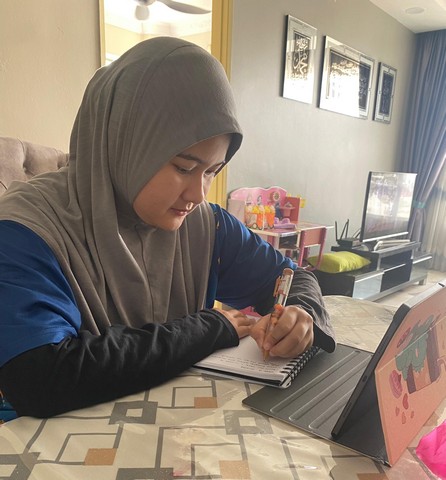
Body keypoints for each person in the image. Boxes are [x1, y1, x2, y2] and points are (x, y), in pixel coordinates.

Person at [0, 37, 335, 419]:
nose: (198, 194)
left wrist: (300, 314)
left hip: (172, 430)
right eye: (184, 168)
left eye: (211, 171)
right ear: (123, 145)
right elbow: (40, 378)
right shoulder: (24, 231)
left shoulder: (206, 225)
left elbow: (290, 277)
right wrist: (205, 329)